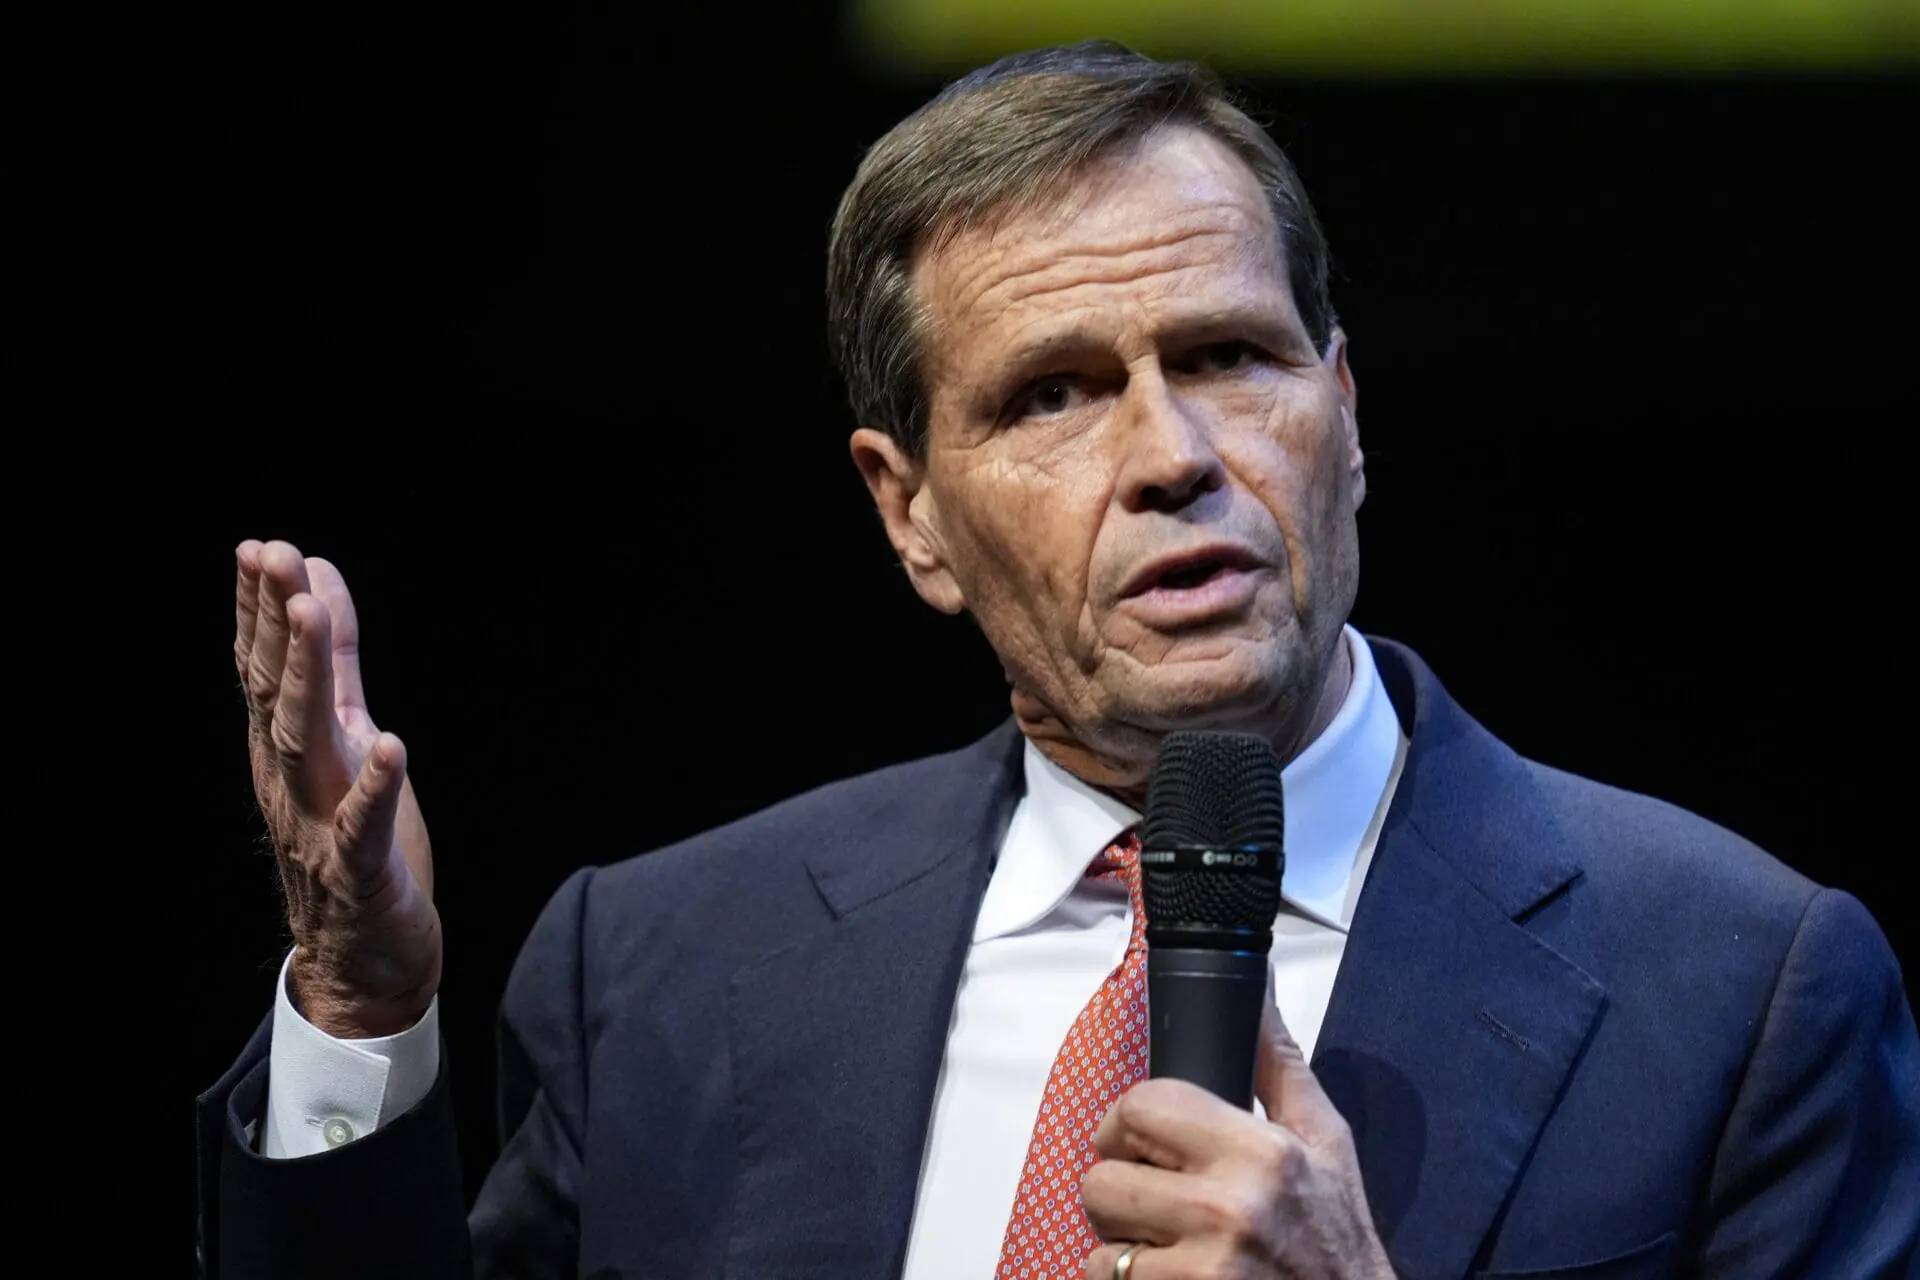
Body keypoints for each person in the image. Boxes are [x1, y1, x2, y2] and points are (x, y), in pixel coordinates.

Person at [195, 41, 1919, 1280]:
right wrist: (360, 1013)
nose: (1173, 453)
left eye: (1232, 356)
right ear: (910, 513)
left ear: (1349, 414)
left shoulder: (1746, 990)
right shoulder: (653, 965)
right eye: (1055, 394)